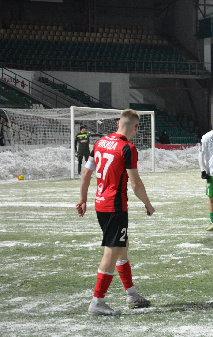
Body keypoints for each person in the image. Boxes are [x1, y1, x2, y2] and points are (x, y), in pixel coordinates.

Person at [76, 109, 155, 316]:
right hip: (115, 206)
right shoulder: (128, 148)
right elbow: (136, 184)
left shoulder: (100, 142)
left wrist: (83, 199)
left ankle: (131, 293)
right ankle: (97, 301)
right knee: (111, 251)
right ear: (136, 127)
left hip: (100, 204)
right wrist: (148, 203)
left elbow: (86, 173)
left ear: (119, 123)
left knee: (122, 246)